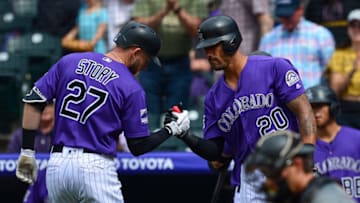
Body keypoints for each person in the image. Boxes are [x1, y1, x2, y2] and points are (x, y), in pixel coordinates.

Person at [15, 21, 190, 203]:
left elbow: (34, 101)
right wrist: (171, 129)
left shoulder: (70, 61)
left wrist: (27, 151)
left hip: (57, 167)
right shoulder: (131, 87)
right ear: (136, 52)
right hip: (95, 168)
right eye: (147, 60)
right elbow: (138, 146)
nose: (145, 66)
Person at [165, 15, 316, 203]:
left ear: (231, 42)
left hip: (287, 165)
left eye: (213, 46)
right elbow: (216, 154)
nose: (208, 53)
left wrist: (308, 155)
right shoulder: (214, 97)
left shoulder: (274, 67)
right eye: (206, 48)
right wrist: (186, 135)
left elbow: (304, 112)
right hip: (249, 177)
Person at [131, 0, 208, 130]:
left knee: (177, 112)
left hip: (180, 61)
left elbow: (198, 30)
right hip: (150, 62)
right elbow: (139, 28)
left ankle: (175, 147)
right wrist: (164, 11)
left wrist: (177, 9)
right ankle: (149, 145)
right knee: (149, 110)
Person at [244, 130, 356, 203]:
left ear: (297, 163)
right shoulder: (294, 196)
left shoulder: (327, 197)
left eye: (274, 173)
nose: (269, 182)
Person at [259, 0, 335, 89]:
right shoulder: (268, 39)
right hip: (278, 99)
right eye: (282, 16)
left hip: (312, 98)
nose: (285, 19)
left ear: (300, 10)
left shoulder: (320, 34)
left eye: (289, 15)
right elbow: (263, 73)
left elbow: (331, 70)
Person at [305, 85, 360, 202]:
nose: (315, 112)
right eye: (310, 108)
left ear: (333, 107)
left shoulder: (356, 138)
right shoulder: (305, 147)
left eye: (319, 106)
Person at [326, 9, 360, 130]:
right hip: (348, 110)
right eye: (353, 25)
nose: (356, 29)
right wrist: (351, 71)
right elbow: (335, 91)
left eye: (359, 25)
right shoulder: (339, 54)